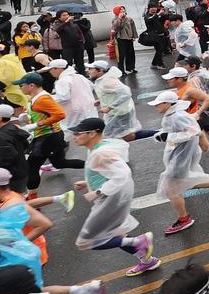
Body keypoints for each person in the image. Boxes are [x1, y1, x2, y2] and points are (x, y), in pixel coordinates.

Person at [66, 118, 158, 277]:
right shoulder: (96, 148)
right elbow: (107, 171)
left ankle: (138, 241)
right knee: (118, 234)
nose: (74, 137)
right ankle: (147, 261)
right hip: (112, 197)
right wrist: (88, 181)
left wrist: (98, 191)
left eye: (77, 133)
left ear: (92, 133)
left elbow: (123, 173)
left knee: (86, 242)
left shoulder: (101, 152)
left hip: (110, 200)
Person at [148, 89, 209, 235]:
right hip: (179, 156)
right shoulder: (171, 114)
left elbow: (194, 131)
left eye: (158, 104)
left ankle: (184, 219)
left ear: (167, 103)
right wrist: (162, 135)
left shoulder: (177, 115)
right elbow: (173, 132)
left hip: (181, 158)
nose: (155, 107)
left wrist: (169, 136)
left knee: (171, 189)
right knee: (191, 181)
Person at [14, 72, 85, 198]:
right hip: (51, 136)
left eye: (21, 85)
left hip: (48, 137)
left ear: (31, 85)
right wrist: (28, 118)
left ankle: (32, 200)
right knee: (59, 163)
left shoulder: (42, 99)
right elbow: (42, 113)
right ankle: (94, 165)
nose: (20, 87)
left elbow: (60, 114)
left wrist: (38, 124)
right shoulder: (36, 97)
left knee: (32, 166)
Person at [110, 6, 139, 74]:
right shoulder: (115, 19)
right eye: (121, 10)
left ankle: (131, 67)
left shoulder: (129, 19)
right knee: (121, 55)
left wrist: (134, 36)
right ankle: (121, 70)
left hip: (129, 38)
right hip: (121, 39)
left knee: (131, 53)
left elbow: (133, 28)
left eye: (123, 10)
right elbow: (116, 28)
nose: (123, 11)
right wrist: (120, 19)